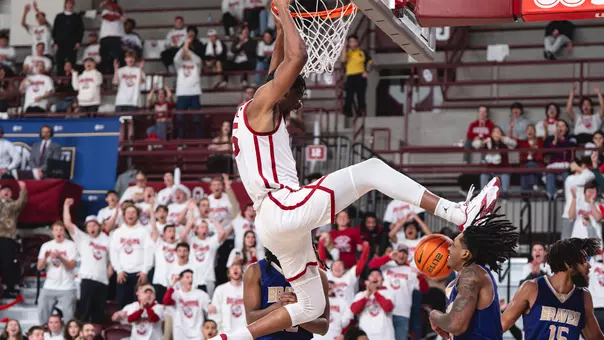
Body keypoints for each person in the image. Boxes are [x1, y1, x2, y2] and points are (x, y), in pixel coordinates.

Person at [214, 1, 502, 338]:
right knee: (371, 170)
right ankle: (457, 212)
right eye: (300, 94)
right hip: (281, 206)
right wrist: (286, 11)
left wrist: (279, 28)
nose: (301, 101)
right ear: (283, 90)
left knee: (309, 307)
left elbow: (277, 71)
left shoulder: (258, 110)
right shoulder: (263, 107)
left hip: (272, 225)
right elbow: (295, 60)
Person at [429, 212, 518, 339]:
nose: (448, 249)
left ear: (465, 253)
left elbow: (456, 324)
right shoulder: (466, 277)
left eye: (453, 244)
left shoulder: (472, 274)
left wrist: (434, 316)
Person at [502, 238, 604, 339]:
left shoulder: (584, 297)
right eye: (584, 261)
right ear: (569, 264)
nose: (589, 266)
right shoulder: (531, 288)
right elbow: (500, 327)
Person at [243, 247, 330, 339]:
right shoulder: (256, 270)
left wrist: (298, 312)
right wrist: (278, 308)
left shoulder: (318, 275)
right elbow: (250, 319)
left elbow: (323, 328)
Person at [63, 199, 111, 324]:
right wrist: (66, 206)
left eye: (94, 225)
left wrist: (111, 266)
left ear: (99, 226)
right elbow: (68, 224)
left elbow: (113, 257)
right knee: (83, 313)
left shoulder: (107, 239)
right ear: (86, 228)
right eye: (89, 226)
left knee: (98, 315)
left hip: (103, 281)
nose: (92, 228)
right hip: (87, 279)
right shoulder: (82, 238)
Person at [369, 244, 429, 340]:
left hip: (402, 313)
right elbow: (371, 265)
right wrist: (388, 257)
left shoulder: (412, 271)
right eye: (400, 252)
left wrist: (421, 278)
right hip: (384, 312)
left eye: (405, 253)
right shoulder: (387, 266)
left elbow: (424, 290)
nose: (402, 255)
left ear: (408, 256)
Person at [109, 204, 154, 308]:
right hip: (122, 274)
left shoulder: (143, 231)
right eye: (128, 212)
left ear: (137, 215)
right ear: (124, 215)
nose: (130, 215)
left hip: (139, 274)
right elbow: (113, 252)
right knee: (122, 303)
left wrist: (145, 271)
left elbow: (149, 252)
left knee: (139, 304)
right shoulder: (118, 232)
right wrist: (118, 270)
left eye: (133, 212)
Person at [36, 221, 78, 324]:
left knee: (70, 318)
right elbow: (39, 267)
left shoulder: (71, 245)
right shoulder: (46, 246)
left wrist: (60, 257)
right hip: (49, 286)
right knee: (42, 313)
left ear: (64, 232)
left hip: (67, 286)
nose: (58, 232)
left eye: (61, 230)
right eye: (56, 230)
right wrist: (45, 257)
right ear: (52, 232)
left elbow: (71, 266)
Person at [180, 217, 227, 295]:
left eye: (206, 227)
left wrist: (214, 220)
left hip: (208, 278)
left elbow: (222, 233)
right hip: (193, 278)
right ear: (196, 229)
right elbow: (182, 236)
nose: (204, 229)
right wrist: (190, 223)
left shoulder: (212, 241)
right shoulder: (192, 240)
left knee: (208, 303)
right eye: (202, 227)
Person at [163, 269, 211, 340]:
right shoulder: (176, 294)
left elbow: (209, 308)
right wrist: (173, 283)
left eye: (191, 277)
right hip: (180, 331)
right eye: (187, 277)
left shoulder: (200, 294)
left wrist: (210, 306)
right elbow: (166, 301)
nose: (190, 279)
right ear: (181, 280)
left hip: (197, 331)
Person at [350, 269, 395, 340]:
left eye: (378, 275)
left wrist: (375, 292)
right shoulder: (360, 295)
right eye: (372, 275)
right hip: (365, 335)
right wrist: (367, 296)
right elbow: (354, 310)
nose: (375, 277)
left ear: (382, 281)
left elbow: (388, 307)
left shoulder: (388, 292)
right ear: (367, 281)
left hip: (385, 335)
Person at [0, 182, 27, 298]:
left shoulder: (13, 205)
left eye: (8, 191)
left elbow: (21, 203)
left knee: (7, 262)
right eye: (4, 190)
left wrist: (23, 190)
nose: (6, 192)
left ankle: (8, 286)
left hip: (8, 237)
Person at [474, 126, 517, 196]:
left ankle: (505, 196)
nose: (496, 133)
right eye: (495, 132)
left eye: (498, 132)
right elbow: (475, 145)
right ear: (491, 134)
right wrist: (483, 141)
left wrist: (502, 138)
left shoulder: (505, 142)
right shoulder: (488, 141)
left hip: (503, 169)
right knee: (483, 175)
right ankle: (483, 196)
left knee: (505, 175)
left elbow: (514, 144)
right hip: (490, 169)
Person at [174, 38, 203, 139]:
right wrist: (184, 46)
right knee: (180, 119)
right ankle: (180, 140)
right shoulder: (179, 65)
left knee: (197, 119)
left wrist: (187, 48)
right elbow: (176, 59)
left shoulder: (196, 64)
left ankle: (199, 140)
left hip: (194, 93)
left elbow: (198, 60)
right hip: (181, 94)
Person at [209, 263, 246, 334]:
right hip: (226, 333)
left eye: (238, 267)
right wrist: (219, 331)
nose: (235, 269)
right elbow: (215, 313)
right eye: (232, 268)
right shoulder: (220, 289)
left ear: (242, 272)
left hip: (244, 333)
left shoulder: (248, 289)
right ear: (228, 274)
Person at [341, 34, 371, 117]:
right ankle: (348, 112)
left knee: (360, 96)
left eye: (353, 41)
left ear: (357, 42)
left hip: (360, 76)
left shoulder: (362, 52)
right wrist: (344, 46)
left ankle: (362, 113)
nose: (352, 43)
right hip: (350, 76)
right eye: (350, 42)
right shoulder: (347, 53)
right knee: (349, 96)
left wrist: (367, 71)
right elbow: (343, 60)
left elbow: (370, 62)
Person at [52, 0, 84, 76]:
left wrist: (78, 41)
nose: (70, 5)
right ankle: (60, 82)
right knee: (60, 62)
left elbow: (80, 30)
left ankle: (71, 82)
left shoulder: (77, 17)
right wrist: (55, 42)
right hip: (61, 44)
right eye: (68, 4)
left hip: (72, 44)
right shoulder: (59, 16)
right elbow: (55, 30)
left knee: (72, 62)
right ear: (65, 5)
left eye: (71, 4)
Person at [99, 0, 125, 74]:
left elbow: (119, 13)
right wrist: (118, 17)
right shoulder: (105, 11)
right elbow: (108, 17)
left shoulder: (119, 12)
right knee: (104, 59)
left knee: (117, 59)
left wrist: (107, 2)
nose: (110, 6)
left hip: (116, 37)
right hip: (105, 37)